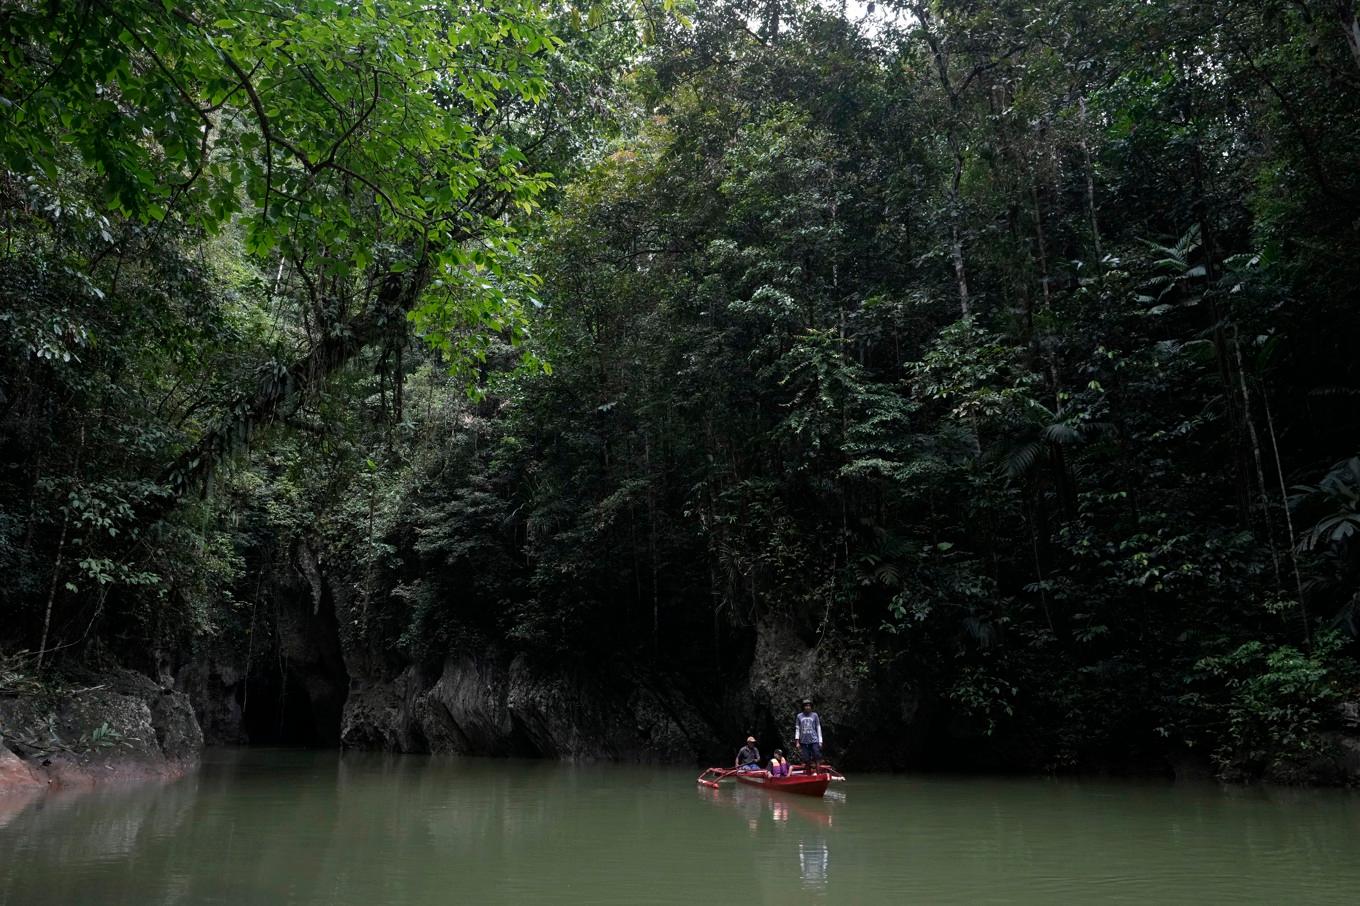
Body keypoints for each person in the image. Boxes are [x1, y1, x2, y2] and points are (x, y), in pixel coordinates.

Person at [794, 698, 823, 772]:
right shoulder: (799, 716)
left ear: (811, 707)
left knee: (816, 755)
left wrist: (820, 740)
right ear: (803, 707)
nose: (807, 707)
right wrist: (797, 742)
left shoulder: (815, 715)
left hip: (814, 740)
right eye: (806, 706)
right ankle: (809, 773)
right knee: (806, 758)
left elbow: (818, 727)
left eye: (809, 705)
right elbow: (797, 729)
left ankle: (818, 772)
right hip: (804, 741)